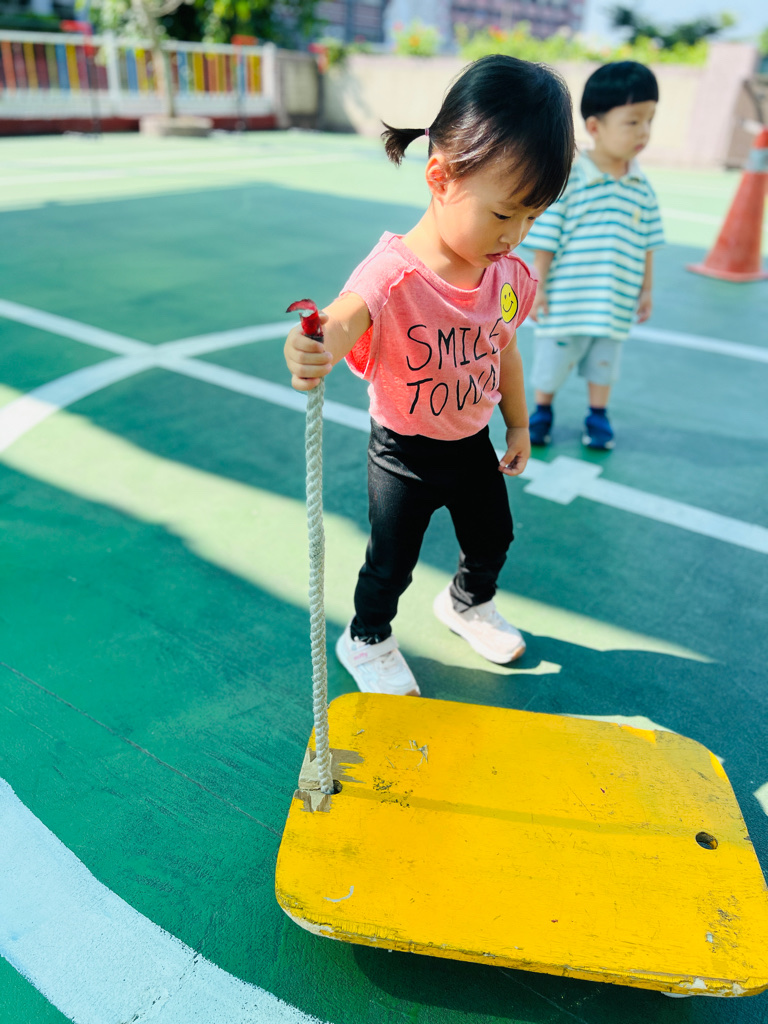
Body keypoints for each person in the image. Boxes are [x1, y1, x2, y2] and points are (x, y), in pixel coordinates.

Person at [284, 55, 574, 696]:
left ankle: (468, 603)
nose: (516, 235)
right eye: (504, 214)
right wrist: (314, 342)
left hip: (471, 444)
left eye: (533, 218)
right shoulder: (394, 274)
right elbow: (344, 317)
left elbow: (503, 349)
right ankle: (367, 636)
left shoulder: (505, 277)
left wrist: (518, 425)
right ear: (440, 177)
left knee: (494, 537)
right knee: (390, 563)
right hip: (403, 456)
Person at [525, 61, 665, 450]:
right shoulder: (572, 179)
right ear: (594, 126)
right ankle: (542, 410)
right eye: (632, 121)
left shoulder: (641, 187)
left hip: (614, 302)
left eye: (649, 120)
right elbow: (547, 239)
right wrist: (539, 287)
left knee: (605, 362)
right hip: (566, 301)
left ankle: (598, 415)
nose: (643, 131)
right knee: (551, 362)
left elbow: (649, 243)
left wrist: (646, 290)